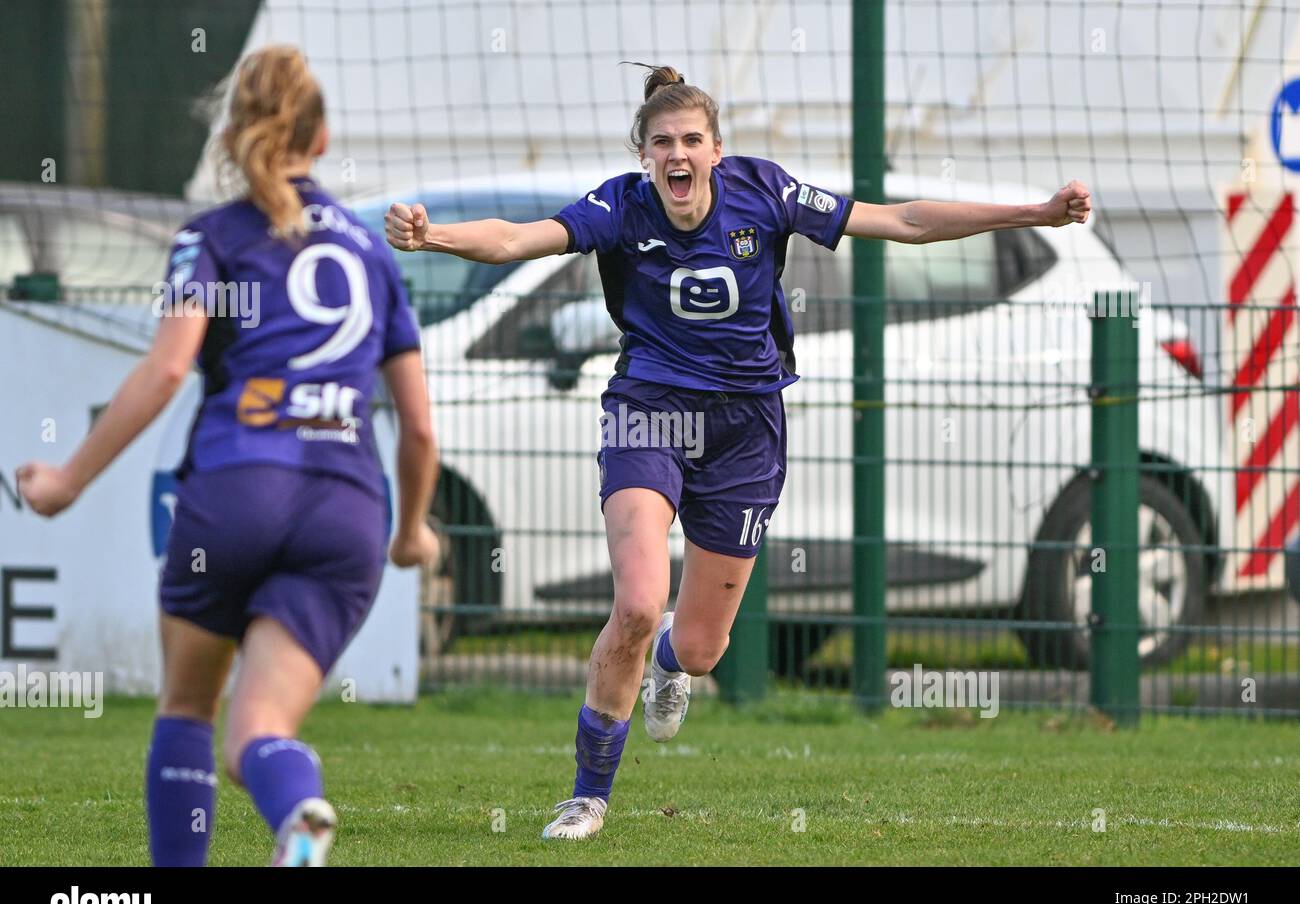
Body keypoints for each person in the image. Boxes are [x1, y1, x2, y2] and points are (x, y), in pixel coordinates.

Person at [384, 63, 1090, 840]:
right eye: (662, 143)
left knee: (698, 645)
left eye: (692, 139)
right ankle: (587, 797)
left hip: (745, 428)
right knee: (638, 602)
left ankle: (670, 671)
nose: (677, 155)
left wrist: (1034, 212)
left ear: (717, 149)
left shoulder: (766, 193)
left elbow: (903, 221)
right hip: (648, 414)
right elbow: (521, 237)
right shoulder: (620, 206)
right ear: (645, 154)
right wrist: (435, 236)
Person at [18, 45, 439, 866]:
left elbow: (169, 367)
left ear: (233, 134)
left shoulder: (211, 235)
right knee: (258, 733)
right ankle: (298, 813)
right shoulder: (370, 250)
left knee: (186, 710)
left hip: (237, 491)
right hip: (346, 509)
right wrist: (412, 532)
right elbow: (420, 429)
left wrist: (68, 479)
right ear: (321, 141)